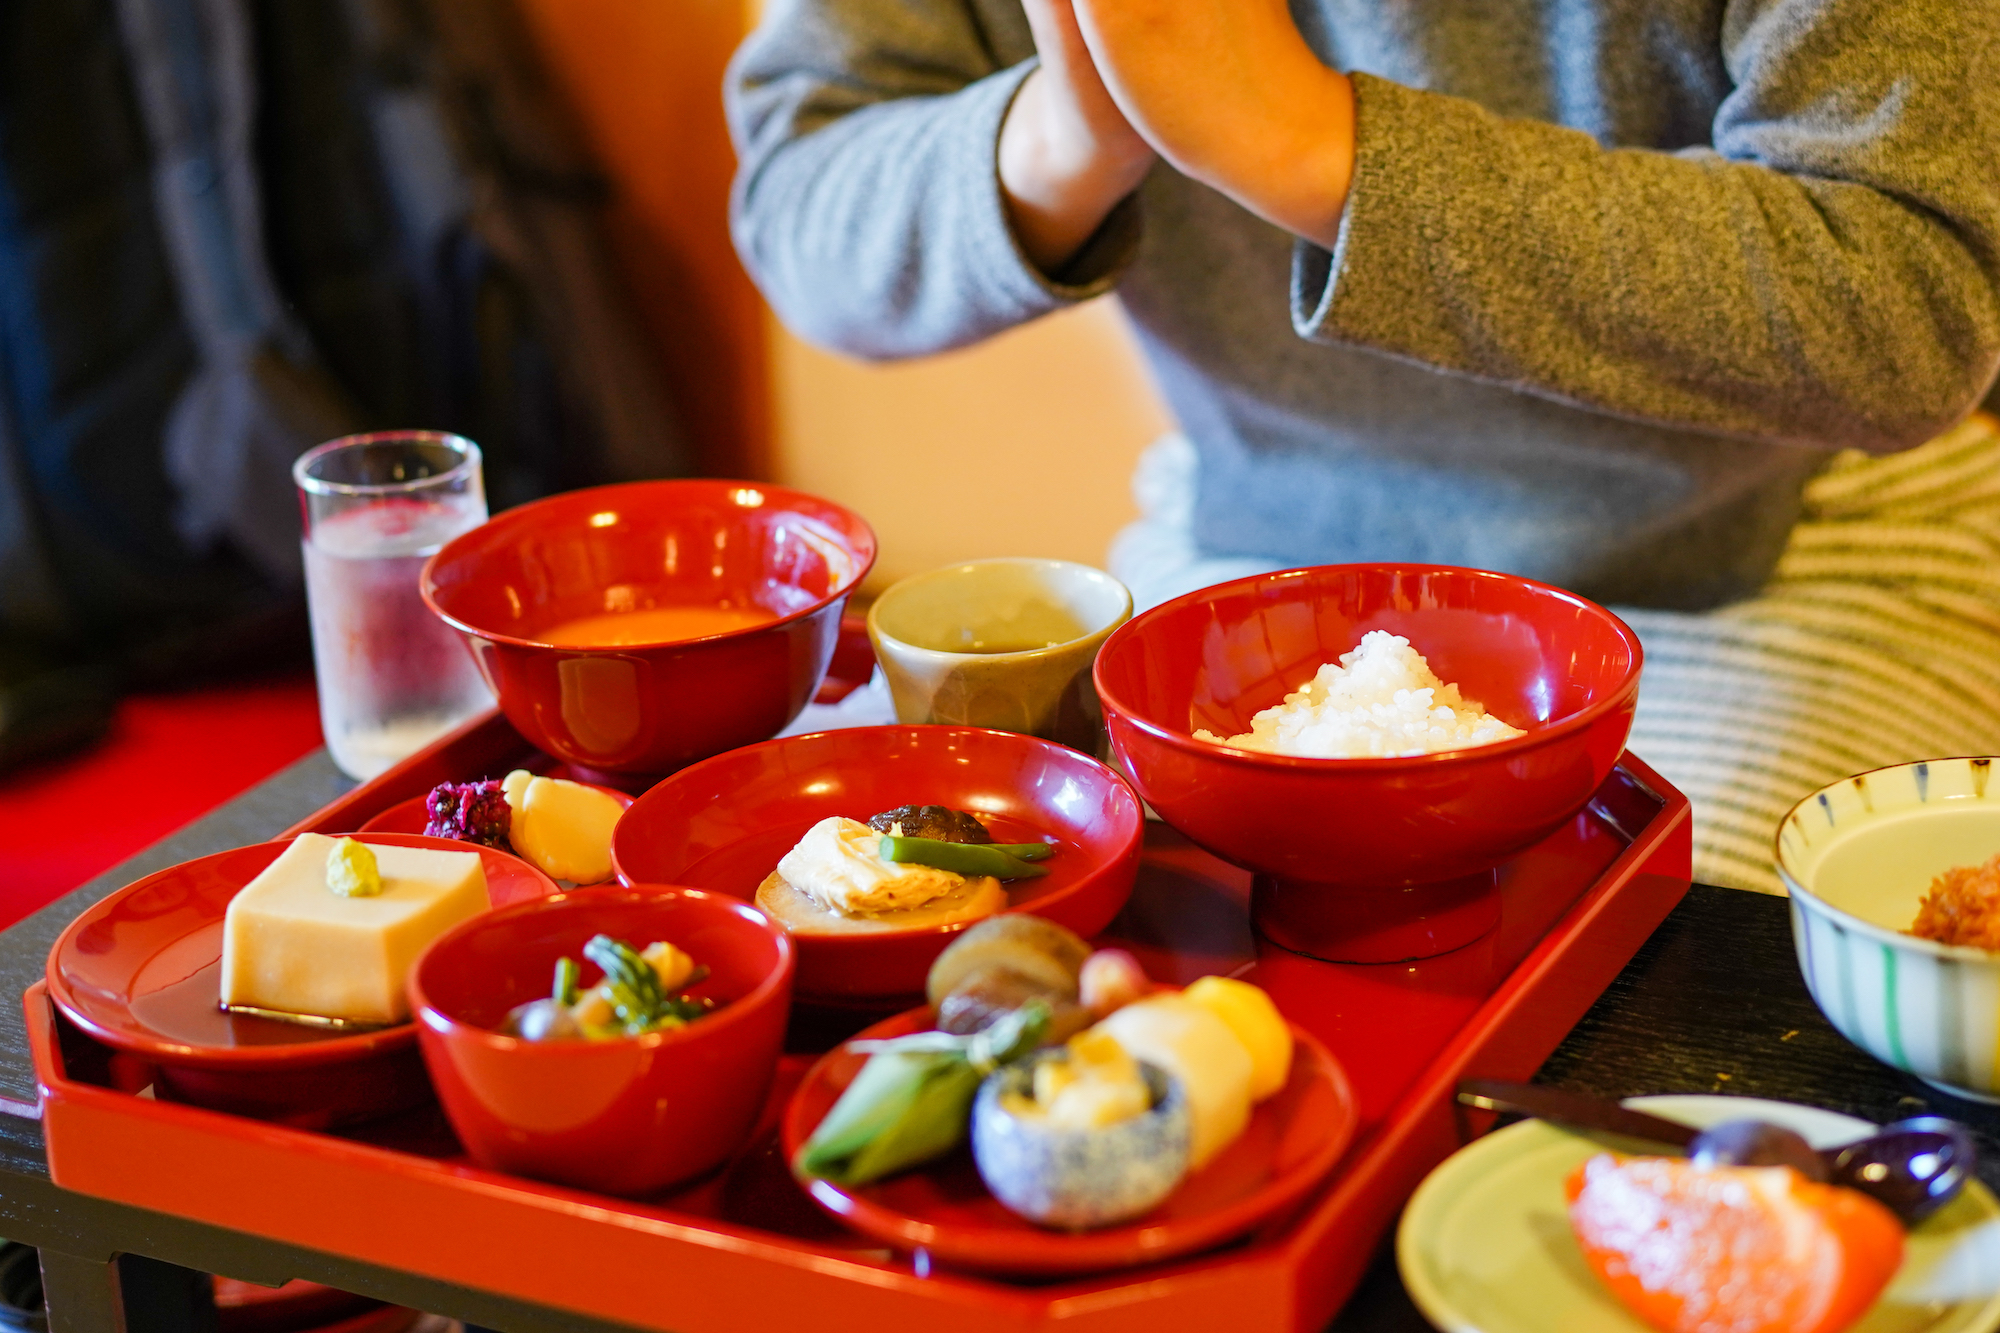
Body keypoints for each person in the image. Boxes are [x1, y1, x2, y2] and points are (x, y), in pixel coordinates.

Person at [725, 0, 2000, 893]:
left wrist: (1299, 142)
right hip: (1251, 537)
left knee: (1625, 1057)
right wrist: (1081, 128)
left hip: (1795, 541)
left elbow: (1911, 300)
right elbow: (801, 219)